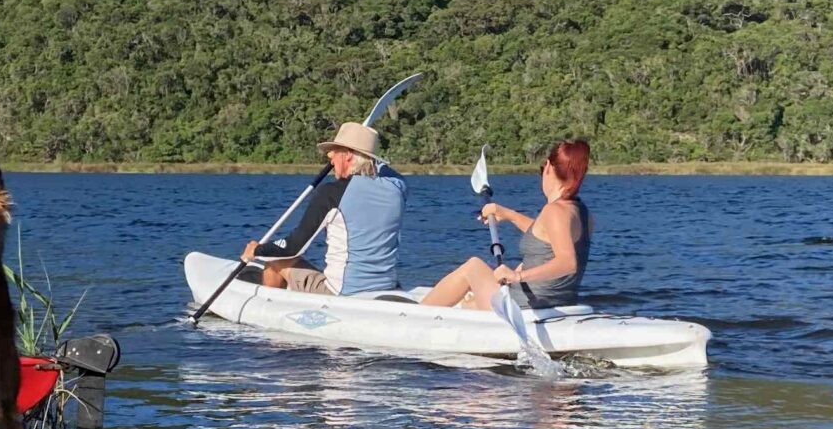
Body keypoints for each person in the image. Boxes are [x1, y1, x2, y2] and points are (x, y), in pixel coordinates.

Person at [421, 138, 591, 311]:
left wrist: (517, 275)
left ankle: (416, 315)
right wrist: (507, 214)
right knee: (468, 304)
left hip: (526, 305)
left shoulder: (554, 211)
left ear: (548, 167)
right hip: (555, 302)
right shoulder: (581, 211)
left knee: (473, 267)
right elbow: (546, 235)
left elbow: (568, 262)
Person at [241, 119, 408, 295]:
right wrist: (367, 152)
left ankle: (270, 308)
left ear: (349, 154)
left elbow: (293, 246)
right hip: (387, 288)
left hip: (342, 292)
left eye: (334, 151)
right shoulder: (397, 188)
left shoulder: (330, 194)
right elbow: (385, 170)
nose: (329, 156)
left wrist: (258, 250)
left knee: (276, 259)